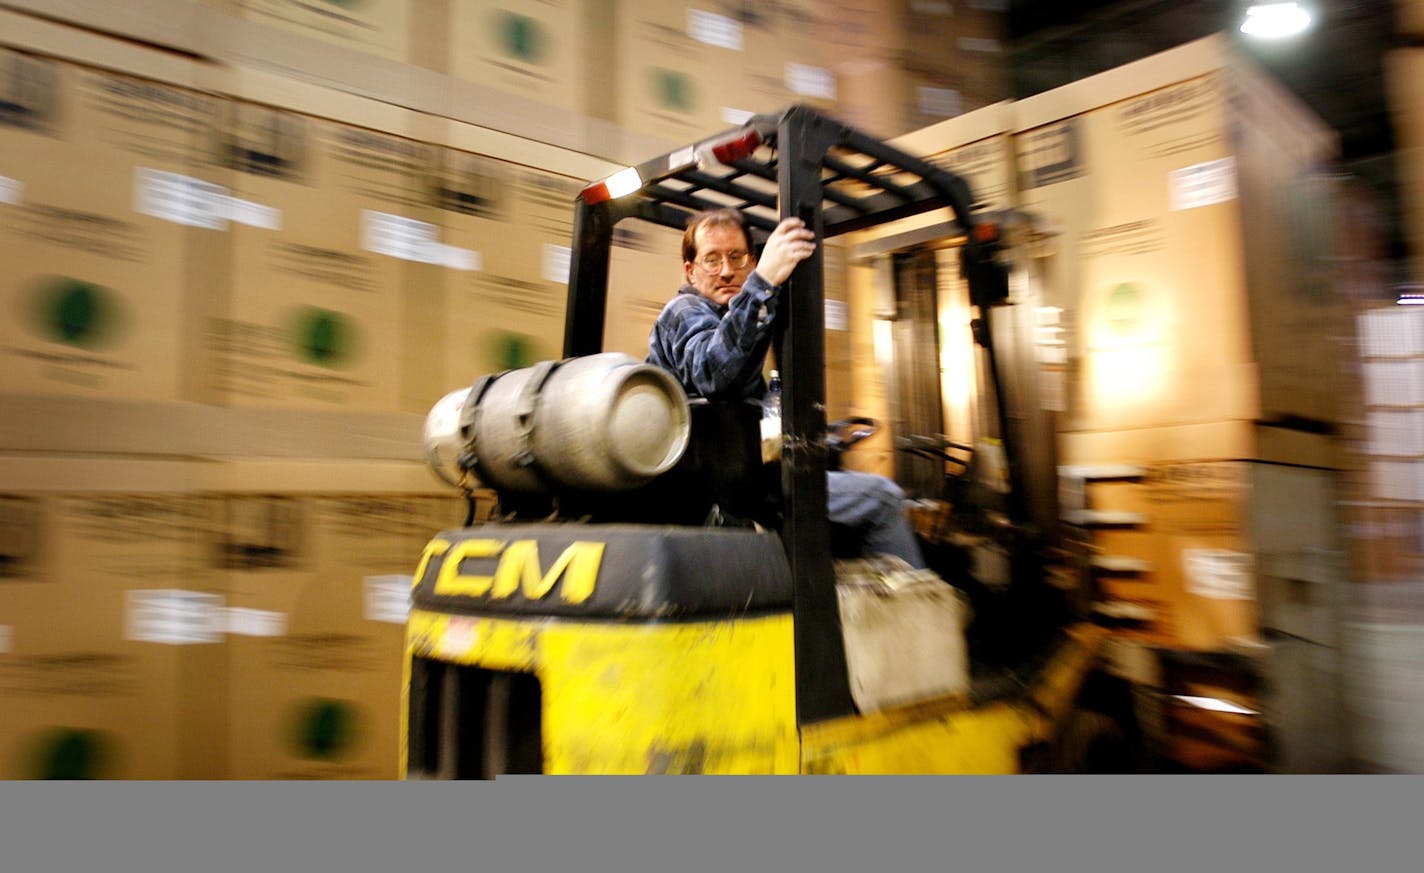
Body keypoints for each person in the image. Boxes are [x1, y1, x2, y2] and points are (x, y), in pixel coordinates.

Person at [647, 207, 926, 569]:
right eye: (712, 260)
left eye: (736, 257)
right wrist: (763, 281)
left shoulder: (730, 321)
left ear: (749, 259)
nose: (727, 270)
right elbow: (714, 374)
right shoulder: (684, 310)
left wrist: (818, 440)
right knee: (884, 497)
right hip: (726, 491)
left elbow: (745, 416)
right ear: (690, 270)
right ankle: (916, 616)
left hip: (742, 478)